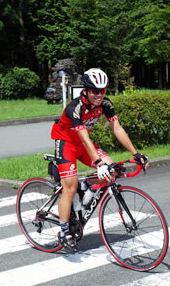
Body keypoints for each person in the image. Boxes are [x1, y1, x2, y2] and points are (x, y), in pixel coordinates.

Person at [50, 68, 148, 251]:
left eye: (102, 91)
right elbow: (83, 136)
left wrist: (136, 154)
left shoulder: (106, 105)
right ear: (85, 90)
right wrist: (97, 162)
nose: (99, 95)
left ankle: (86, 189)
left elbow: (117, 128)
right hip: (66, 144)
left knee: (111, 170)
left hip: (83, 144)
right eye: (95, 91)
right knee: (69, 188)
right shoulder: (75, 107)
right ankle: (64, 231)